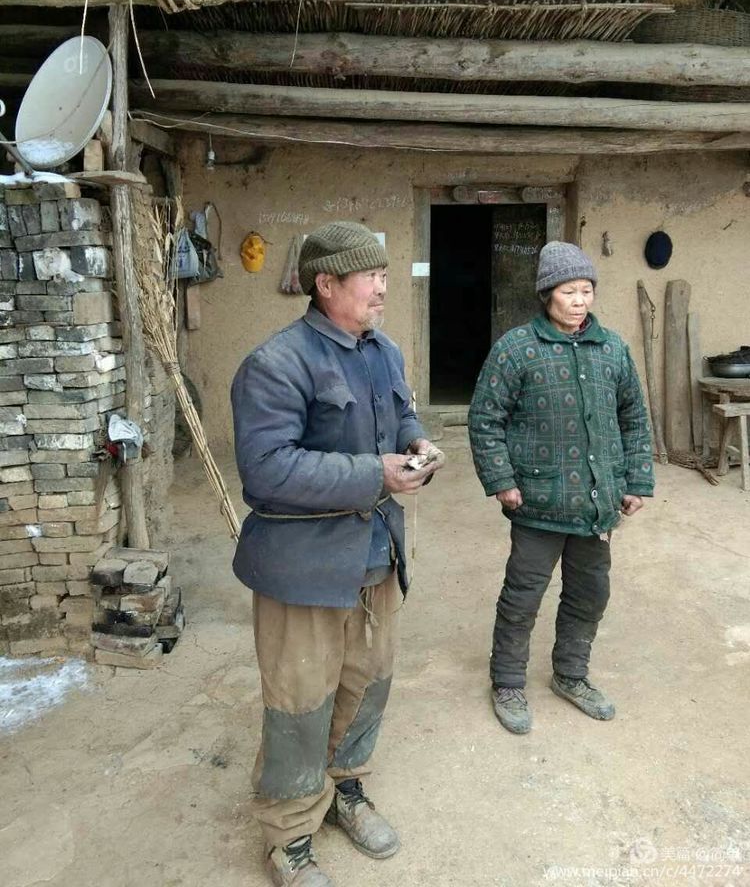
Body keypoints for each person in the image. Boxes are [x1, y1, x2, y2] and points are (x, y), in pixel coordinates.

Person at [231, 221, 444, 886]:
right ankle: (290, 835)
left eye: (385, 275)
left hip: (376, 553)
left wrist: (417, 445)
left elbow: (400, 417)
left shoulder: (383, 351)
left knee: (367, 683)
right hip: (304, 567)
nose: (384, 287)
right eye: (371, 276)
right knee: (299, 701)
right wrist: (372, 474)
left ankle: (344, 790)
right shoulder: (277, 363)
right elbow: (266, 471)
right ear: (326, 285)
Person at [468, 241, 653, 735]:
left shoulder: (611, 348)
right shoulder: (516, 348)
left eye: (586, 290)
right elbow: (486, 418)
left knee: (589, 593)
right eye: (569, 291)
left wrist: (636, 480)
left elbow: (633, 417)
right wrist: (502, 480)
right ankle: (507, 681)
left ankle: (571, 676)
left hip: (597, 504)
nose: (579, 300)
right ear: (547, 294)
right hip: (537, 501)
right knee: (523, 595)